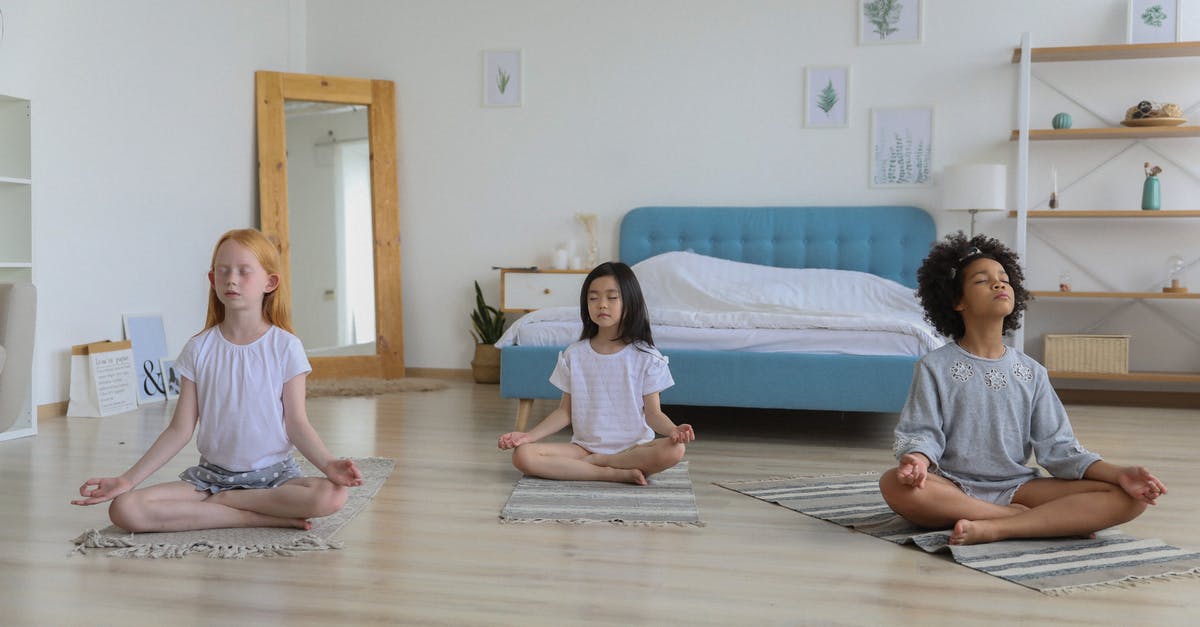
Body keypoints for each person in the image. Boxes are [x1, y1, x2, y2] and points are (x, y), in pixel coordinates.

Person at [879, 232, 1166, 546]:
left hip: (1020, 488)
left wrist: (1120, 473)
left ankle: (996, 527)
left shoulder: (1032, 372)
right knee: (893, 483)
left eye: (1004, 278)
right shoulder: (934, 366)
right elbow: (923, 432)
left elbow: (1060, 450)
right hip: (951, 487)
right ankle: (1035, 522)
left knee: (1130, 498)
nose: (999, 284)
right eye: (981, 280)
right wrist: (917, 462)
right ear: (957, 302)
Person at [72, 229, 362, 532]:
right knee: (125, 508)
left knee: (331, 496)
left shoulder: (285, 346)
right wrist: (128, 479)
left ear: (270, 282)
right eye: (223, 271)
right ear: (212, 280)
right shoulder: (199, 348)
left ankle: (226, 505)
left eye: (243, 271)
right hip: (211, 479)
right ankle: (249, 516)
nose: (231, 279)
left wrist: (328, 464)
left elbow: (297, 424)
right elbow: (179, 429)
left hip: (275, 479)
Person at [497, 261, 695, 485]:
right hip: (583, 449)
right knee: (523, 455)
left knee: (675, 450)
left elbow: (653, 414)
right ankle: (609, 472)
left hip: (634, 449)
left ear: (630, 302)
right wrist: (528, 436)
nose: (602, 304)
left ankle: (603, 463)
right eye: (593, 298)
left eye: (612, 297)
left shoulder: (647, 356)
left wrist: (673, 430)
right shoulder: (575, 354)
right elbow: (565, 412)